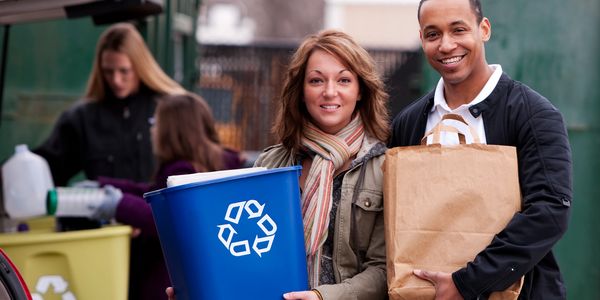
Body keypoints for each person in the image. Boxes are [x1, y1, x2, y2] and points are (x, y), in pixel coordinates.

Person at [388, 0, 572, 299]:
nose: (446, 45)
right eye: (433, 34)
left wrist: (466, 283)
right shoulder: (408, 123)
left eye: (458, 29)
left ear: (483, 29)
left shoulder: (533, 114)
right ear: (422, 39)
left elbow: (549, 211)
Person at [257, 29, 389, 300]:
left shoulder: (385, 167)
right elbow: (244, 250)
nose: (330, 92)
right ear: (301, 91)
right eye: (317, 80)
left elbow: (385, 269)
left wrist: (322, 297)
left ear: (360, 90)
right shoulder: (270, 163)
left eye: (343, 80)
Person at [91, 93, 243, 300]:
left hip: (170, 280)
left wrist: (119, 204)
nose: (152, 130)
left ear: (172, 131)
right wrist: (106, 186)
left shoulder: (183, 172)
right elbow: (153, 193)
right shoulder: (213, 165)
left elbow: (168, 218)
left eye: (155, 123)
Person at [34, 22, 187, 186]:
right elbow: (49, 166)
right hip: (105, 212)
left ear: (140, 66)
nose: (116, 80)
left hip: (155, 210)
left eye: (124, 71)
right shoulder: (82, 117)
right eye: (108, 71)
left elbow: (195, 164)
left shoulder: (168, 109)